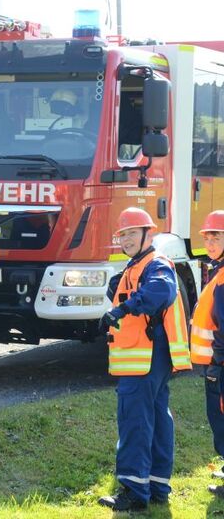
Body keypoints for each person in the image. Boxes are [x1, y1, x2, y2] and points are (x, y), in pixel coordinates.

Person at [98, 207, 191, 511]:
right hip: (151, 358)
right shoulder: (137, 265)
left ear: (147, 234)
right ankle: (156, 486)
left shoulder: (155, 264)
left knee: (136, 420)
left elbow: (162, 291)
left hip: (145, 358)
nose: (125, 239)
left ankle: (134, 491)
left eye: (131, 233)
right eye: (122, 234)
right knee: (156, 418)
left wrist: (123, 309)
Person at [189, 211, 224, 497]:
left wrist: (216, 364)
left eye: (217, 237)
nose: (211, 243)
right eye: (208, 238)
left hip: (219, 367)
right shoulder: (219, 271)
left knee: (221, 420)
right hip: (217, 364)